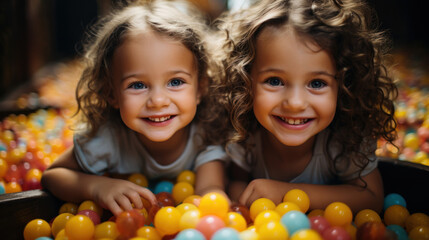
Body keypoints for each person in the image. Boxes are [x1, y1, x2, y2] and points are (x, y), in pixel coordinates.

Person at [41, 0, 229, 216]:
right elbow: (53, 175)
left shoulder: (206, 133)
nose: (158, 101)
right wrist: (97, 187)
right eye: (137, 85)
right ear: (112, 93)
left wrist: (209, 206)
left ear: (200, 88)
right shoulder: (109, 138)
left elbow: (210, 190)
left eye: (176, 82)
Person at [216, 0, 398, 214]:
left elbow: (372, 198)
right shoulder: (245, 133)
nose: (295, 103)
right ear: (246, 81)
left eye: (317, 83)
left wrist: (287, 194)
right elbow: (237, 181)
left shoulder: (345, 138)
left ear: (345, 86)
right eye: (274, 81)